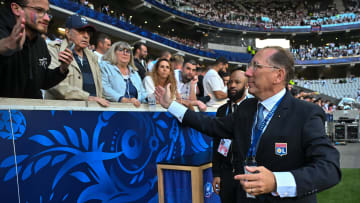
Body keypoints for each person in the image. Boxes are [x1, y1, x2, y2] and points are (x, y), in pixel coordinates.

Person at [156, 46, 341, 203]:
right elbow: (212, 126)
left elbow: (329, 168)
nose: (248, 72)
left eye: (256, 66)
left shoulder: (306, 114)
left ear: (278, 75)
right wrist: (171, 105)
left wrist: (277, 181)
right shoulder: (246, 108)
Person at [0, 0, 72, 98]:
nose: (47, 18)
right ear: (16, 9)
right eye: (39, 10)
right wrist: (7, 46)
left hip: (32, 111)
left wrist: (61, 70)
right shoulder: (4, 33)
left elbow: (42, 82)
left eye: (47, 12)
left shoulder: (41, 43)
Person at [46, 14, 109, 107]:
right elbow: (54, 85)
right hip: (63, 113)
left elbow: (100, 88)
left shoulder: (93, 57)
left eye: (88, 32)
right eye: (81, 31)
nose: (86, 36)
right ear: (67, 32)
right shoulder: (54, 49)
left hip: (92, 111)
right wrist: (86, 97)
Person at [212, 68, 248, 203]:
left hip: (247, 173)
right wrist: (216, 173)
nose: (232, 85)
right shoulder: (221, 111)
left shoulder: (254, 109)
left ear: (246, 85)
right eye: (230, 82)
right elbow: (216, 142)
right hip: (226, 173)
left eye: (237, 82)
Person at [100, 41, 146, 107]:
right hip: (112, 109)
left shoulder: (134, 72)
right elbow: (104, 88)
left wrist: (149, 98)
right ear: (113, 53)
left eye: (128, 51)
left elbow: (142, 93)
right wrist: (123, 99)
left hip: (134, 110)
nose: (125, 53)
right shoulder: (105, 66)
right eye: (121, 50)